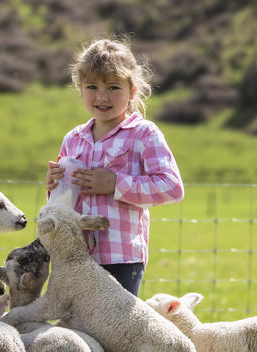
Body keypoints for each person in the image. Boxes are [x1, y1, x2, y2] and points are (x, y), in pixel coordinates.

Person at [45, 38, 184, 296]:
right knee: (74, 331)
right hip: (73, 254)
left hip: (120, 258)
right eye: (92, 86)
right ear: (80, 89)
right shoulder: (73, 139)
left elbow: (172, 187)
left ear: (132, 90)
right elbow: (63, 201)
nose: (102, 96)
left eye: (112, 87)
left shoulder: (143, 133)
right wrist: (54, 186)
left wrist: (115, 184)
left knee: (114, 332)